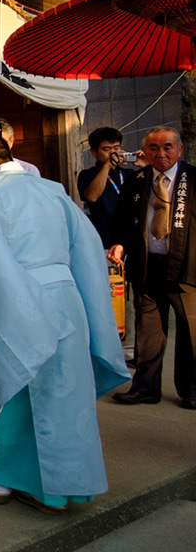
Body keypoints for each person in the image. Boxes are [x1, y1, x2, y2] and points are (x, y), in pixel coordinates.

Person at [0, 107, 129, 513]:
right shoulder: (53, 190)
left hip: (20, 296)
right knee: (61, 397)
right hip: (68, 297)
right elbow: (87, 254)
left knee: (8, 383)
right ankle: (53, 487)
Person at [107, 125, 196, 409]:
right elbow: (121, 218)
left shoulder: (193, 178)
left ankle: (192, 389)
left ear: (179, 149)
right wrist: (119, 242)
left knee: (190, 329)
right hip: (148, 264)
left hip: (186, 266)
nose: (161, 154)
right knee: (148, 330)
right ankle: (145, 387)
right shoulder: (137, 180)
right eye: (154, 148)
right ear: (145, 152)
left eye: (168, 147)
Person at [78, 126, 142, 249]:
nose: (113, 153)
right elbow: (91, 197)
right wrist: (107, 166)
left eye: (116, 148)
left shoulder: (128, 174)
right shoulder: (88, 175)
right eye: (106, 149)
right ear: (94, 152)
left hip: (131, 237)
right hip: (104, 239)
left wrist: (146, 165)